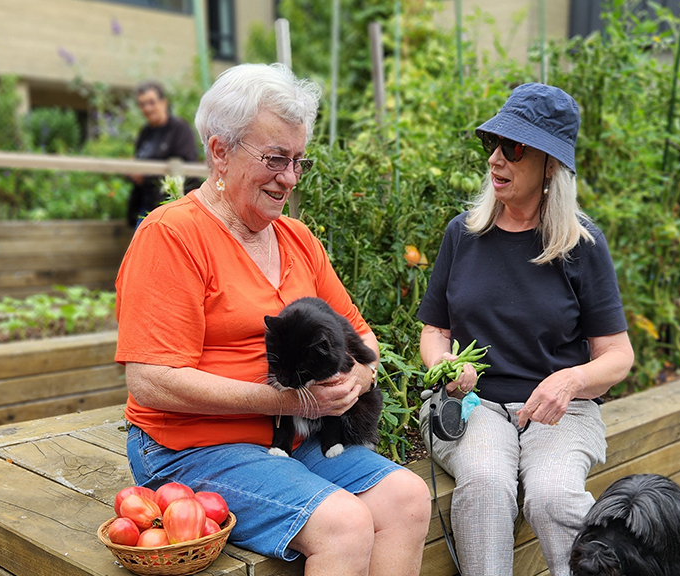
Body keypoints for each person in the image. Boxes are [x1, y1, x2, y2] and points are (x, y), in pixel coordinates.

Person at [116, 63, 431, 575]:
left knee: (408, 499)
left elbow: (361, 333)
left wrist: (357, 376)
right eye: (275, 158)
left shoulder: (298, 240)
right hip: (191, 448)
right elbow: (151, 382)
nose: (289, 177)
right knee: (345, 525)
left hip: (293, 439)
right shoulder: (171, 235)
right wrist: (288, 397)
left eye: (298, 160)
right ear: (220, 151)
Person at [417, 83, 635, 576]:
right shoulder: (463, 235)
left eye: (513, 148)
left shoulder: (582, 244)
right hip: (476, 404)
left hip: (559, 408)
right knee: (486, 484)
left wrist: (572, 381)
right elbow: (434, 332)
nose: (496, 159)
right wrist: (445, 364)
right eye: (492, 144)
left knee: (555, 497)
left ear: (550, 166)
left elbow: (617, 357)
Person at [126, 80, 202, 227]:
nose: (147, 108)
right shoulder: (145, 132)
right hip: (145, 207)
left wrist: (145, 176)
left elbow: (187, 168)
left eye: (151, 102)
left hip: (170, 209)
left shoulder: (179, 129)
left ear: (164, 102)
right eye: (142, 104)